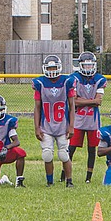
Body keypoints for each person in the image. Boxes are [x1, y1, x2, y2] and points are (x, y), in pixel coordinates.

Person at [61, 51, 107, 183]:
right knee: (71, 148)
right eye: (85, 66)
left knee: (92, 149)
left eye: (90, 65)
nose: (88, 68)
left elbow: (98, 101)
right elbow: (74, 100)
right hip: (77, 119)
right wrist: (90, 101)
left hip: (93, 120)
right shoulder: (73, 78)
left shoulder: (99, 79)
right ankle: (64, 175)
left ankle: (88, 178)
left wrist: (81, 101)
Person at [33, 55, 76, 187]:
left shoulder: (67, 81)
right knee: (47, 154)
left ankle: (69, 181)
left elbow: (72, 106)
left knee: (64, 154)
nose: (52, 70)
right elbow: (37, 107)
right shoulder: (39, 82)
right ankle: (50, 182)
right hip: (46, 125)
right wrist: (37, 127)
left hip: (62, 125)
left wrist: (71, 126)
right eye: (49, 67)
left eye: (54, 67)